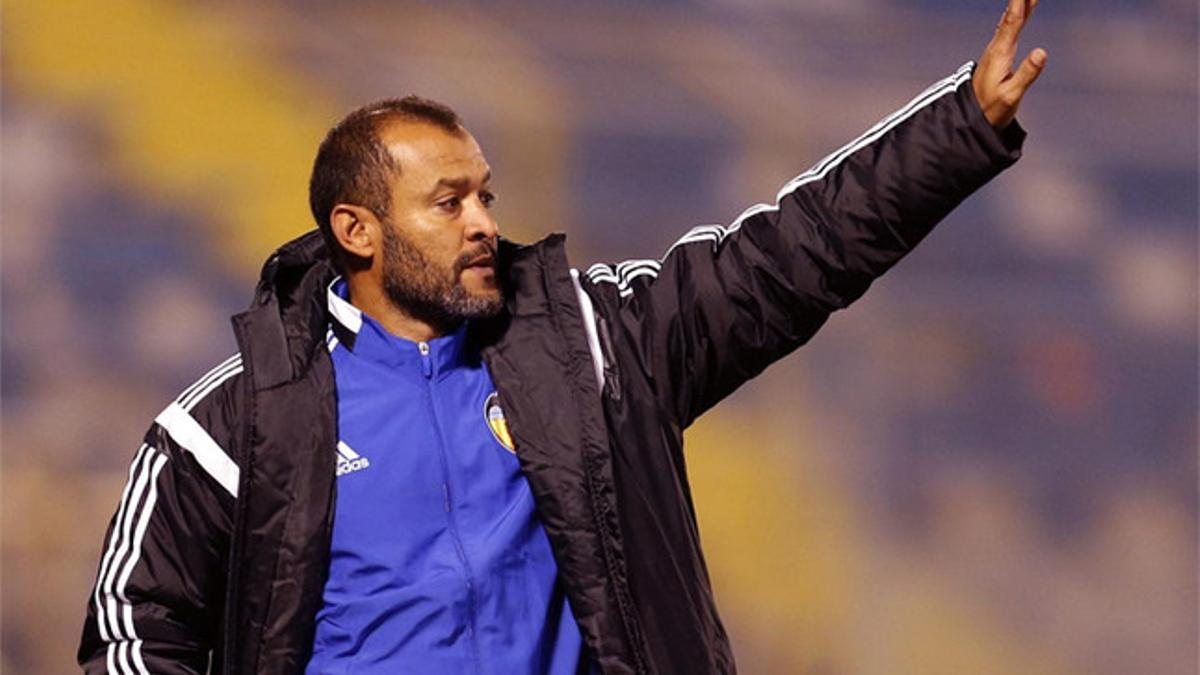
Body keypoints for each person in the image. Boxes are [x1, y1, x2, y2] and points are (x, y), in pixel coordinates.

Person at [78, 1, 1046, 673]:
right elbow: (133, 623)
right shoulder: (233, 424)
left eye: (487, 194)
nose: (483, 222)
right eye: (448, 201)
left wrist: (958, 131)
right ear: (356, 231)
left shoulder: (594, 343)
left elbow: (785, 258)